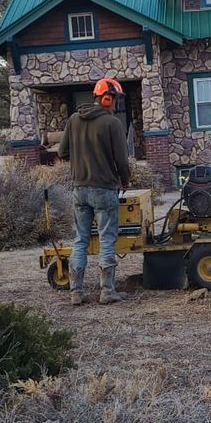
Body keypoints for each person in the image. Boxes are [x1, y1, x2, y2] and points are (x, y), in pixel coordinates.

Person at [58, 78, 130, 306]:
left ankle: (76, 292)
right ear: (107, 98)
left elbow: (62, 152)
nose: (116, 104)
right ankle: (107, 291)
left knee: (80, 240)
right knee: (107, 239)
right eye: (115, 98)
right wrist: (125, 180)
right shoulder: (112, 123)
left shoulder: (73, 120)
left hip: (79, 189)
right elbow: (122, 160)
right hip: (104, 189)